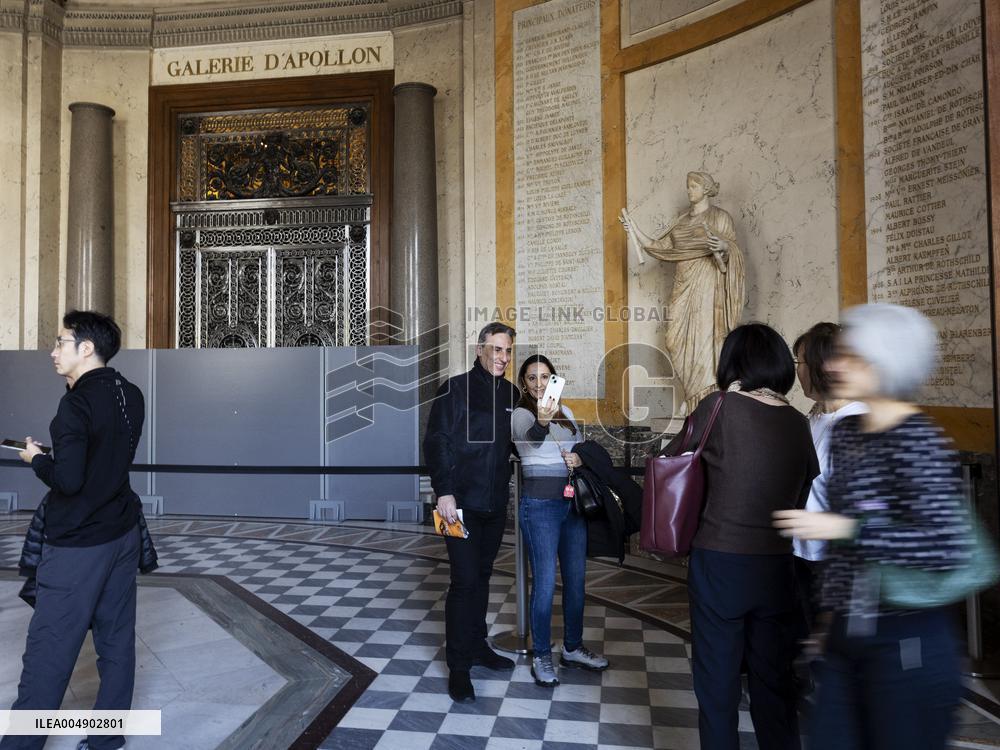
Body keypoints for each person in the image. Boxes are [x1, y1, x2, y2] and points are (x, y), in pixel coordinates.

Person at [774, 304, 973, 750]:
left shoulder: (918, 440)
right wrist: (828, 621)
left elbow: (942, 547)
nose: (833, 366)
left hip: (907, 635)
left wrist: (844, 528)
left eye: (851, 356)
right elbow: (845, 550)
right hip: (846, 634)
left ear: (886, 365)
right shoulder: (849, 435)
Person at [665, 323, 818, 750]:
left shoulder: (719, 407)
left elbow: (672, 459)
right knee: (774, 682)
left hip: (720, 561)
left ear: (732, 362)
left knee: (718, 684)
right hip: (777, 565)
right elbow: (803, 493)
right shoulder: (798, 422)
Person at [1, 311, 145, 750]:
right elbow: (104, 456)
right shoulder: (131, 393)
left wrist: (36, 460)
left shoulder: (75, 405)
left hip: (80, 543)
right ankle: (106, 740)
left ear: (86, 348)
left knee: (50, 648)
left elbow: (68, 481)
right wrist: (59, 453)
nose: (52, 350)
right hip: (123, 530)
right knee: (116, 641)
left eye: (60, 341)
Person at [423, 322, 520, 703]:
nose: (503, 357)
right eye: (496, 349)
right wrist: (444, 491)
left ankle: (478, 646)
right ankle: (459, 667)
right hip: (459, 504)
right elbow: (438, 441)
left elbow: (516, 444)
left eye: (508, 351)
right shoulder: (454, 388)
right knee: (464, 582)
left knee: (482, 576)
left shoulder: (512, 394)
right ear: (480, 350)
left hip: (494, 505)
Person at [511, 355, 609, 687]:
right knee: (544, 584)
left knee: (576, 581)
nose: (539, 383)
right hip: (540, 507)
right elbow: (531, 440)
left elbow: (580, 449)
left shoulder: (565, 413)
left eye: (545, 377)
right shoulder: (521, 414)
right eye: (532, 378)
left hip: (572, 505)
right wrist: (542, 420)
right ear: (524, 383)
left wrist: (578, 458)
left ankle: (572, 647)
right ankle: (541, 654)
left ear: (554, 379)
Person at [620, 171, 746, 414]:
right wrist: (633, 229)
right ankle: (692, 394)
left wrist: (723, 246)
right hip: (682, 285)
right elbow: (658, 246)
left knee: (705, 339)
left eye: (694, 186)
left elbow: (733, 251)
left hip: (708, 285)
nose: (689, 190)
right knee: (674, 340)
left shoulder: (720, 218)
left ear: (706, 189)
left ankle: (702, 399)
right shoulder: (681, 222)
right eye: (688, 186)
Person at [791, 323, 866, 633]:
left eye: (800, 362)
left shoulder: (858, 422)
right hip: (801, 553)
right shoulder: (814, 417)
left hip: (835, 562)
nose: (797, 370)